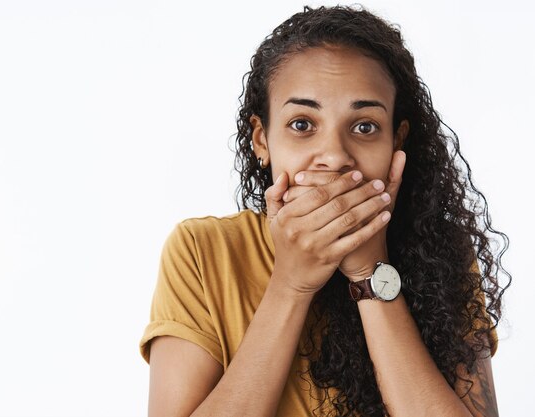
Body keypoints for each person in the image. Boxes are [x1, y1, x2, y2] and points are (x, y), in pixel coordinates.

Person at [139, 5, 510, 417]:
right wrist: (291, 284)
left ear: (396, 143)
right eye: (302, 124)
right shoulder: (201, 252)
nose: (334, 157)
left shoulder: (444, 254)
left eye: (364, 126)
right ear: (262, 140)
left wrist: (370, 272)